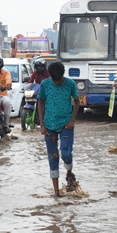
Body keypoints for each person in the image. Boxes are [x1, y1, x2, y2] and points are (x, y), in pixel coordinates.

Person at [37, 62, 80, 197]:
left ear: (63, 74)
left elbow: (77, 101)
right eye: (54, 80)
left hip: (66, 124)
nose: (57, 82)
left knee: (66, 153)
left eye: (59, 79)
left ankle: (69, 174)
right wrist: (42, 125)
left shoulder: (70, 84)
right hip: (49, 125)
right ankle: (56, 191)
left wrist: (72, 120)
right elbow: (41, 101)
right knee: (52, 156)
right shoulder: (45, 84)